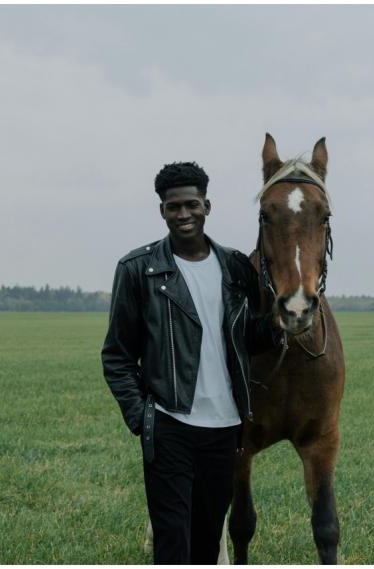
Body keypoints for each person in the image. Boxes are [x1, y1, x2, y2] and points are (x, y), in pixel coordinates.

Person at [101, 161, 282, 564]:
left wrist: (277, 326)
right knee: (172, 543)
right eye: (173, 207)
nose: (183, 214)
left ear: (207, 206)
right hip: (169, 427)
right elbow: (116, 354)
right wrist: (141, 416)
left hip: (224, 430)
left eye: (191, 205)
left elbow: (247, 338)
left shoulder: (236, 268)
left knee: (205, 542)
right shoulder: (138, 271)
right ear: (162, 211)